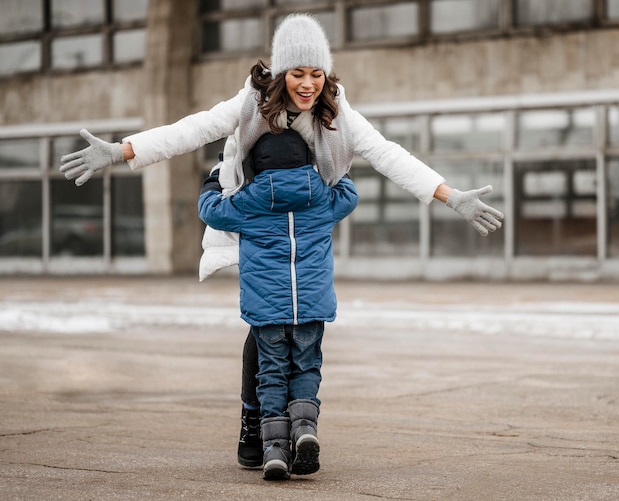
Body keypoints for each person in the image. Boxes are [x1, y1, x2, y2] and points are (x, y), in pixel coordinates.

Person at [59, 13, 503, 473]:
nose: (307, 84)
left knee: (266, 331)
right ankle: (260, 423)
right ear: (280, 72)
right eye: (297, 73)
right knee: (268, 334)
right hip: (254, 211)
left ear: (326, 74)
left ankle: (264, 429)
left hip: (301, 223)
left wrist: (450, 196)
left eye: (316, 74)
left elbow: (387, 152)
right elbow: (192, 129)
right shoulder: (251, 101)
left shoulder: (335, 108)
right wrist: (121, 149)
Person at [198, 128, 359, 479]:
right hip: (311, 306)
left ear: (255, 164)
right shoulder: (322, 197)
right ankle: (305, 428)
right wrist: (337, 168)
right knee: (305, 368)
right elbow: (349, 195)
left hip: (267, 310)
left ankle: (274, 450)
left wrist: (215, 176)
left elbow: (210, 211)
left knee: (270, 375)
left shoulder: (249, 201)